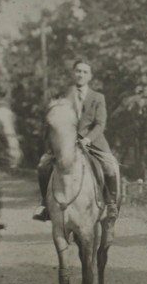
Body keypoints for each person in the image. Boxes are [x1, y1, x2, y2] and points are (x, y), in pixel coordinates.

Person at [33, 60, 120, 223]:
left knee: (109, 166)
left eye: (85, 72)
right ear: (73, 73)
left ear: (90, 76)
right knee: (43, 165)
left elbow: (100, 124)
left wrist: (87, 139)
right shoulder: (63, 96)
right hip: (65, 143)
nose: (81, 75)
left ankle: (111, 203)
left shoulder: (98, 98)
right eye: (78, 71)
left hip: (93, 143)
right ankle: (45, 204)